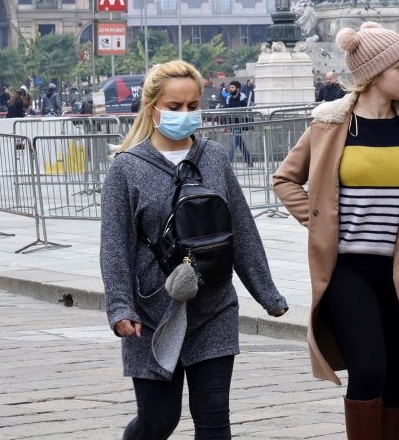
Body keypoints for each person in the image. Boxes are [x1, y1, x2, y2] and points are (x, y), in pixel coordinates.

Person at [272, 22, 399, 439]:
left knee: (394, 377)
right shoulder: (329, 125)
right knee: (369, 368)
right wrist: (317, 220)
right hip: (346, 270)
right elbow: (285, 179)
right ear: (374, 73)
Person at [100, 60, 288, 439]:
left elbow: (241, 230)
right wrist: (120, 308)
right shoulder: (126, 169)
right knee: (158, 421)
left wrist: (268, 294)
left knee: (214, 420)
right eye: (174, 107)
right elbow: (115, 246)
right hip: (152, 314)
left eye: (192, 105)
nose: (185, 114)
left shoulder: (214, 158)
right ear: (153, 108)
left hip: (214, 307)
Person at [224, 80, 253, 167]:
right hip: (232, 123)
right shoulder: (228, 99)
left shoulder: (243, 98)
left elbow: (246, 110)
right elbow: (226, 111)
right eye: (230, 87)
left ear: (238, 89)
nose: (231, 89)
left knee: (235, 141)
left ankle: (228, 162)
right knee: (239, 142)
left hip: (240, 123)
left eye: (233, 87)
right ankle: (249, 161)